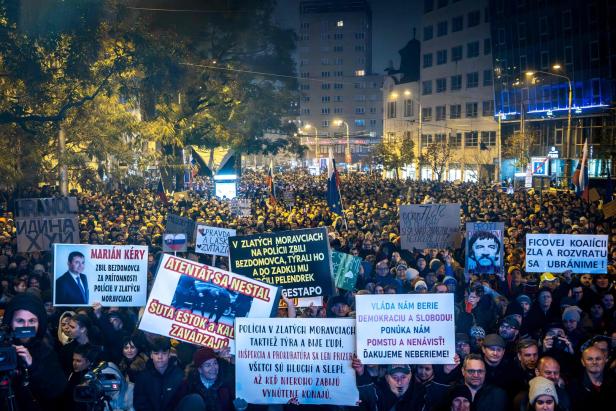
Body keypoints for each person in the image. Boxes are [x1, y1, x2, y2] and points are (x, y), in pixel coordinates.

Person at [0, 292, 67, 411]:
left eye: (32, 321)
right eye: (20, 321)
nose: (26, 326)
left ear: (39, 323)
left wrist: (33, 365)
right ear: (9, 321)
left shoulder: (47, 351)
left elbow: (56, 392)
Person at [133, 337, 183, 411]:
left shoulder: (179, 375)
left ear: (169, 354)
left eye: (164, 353)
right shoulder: (142, 377)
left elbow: (181, 401)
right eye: (156, 353)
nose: (160, 357)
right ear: (151, 355)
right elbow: (139, 403)